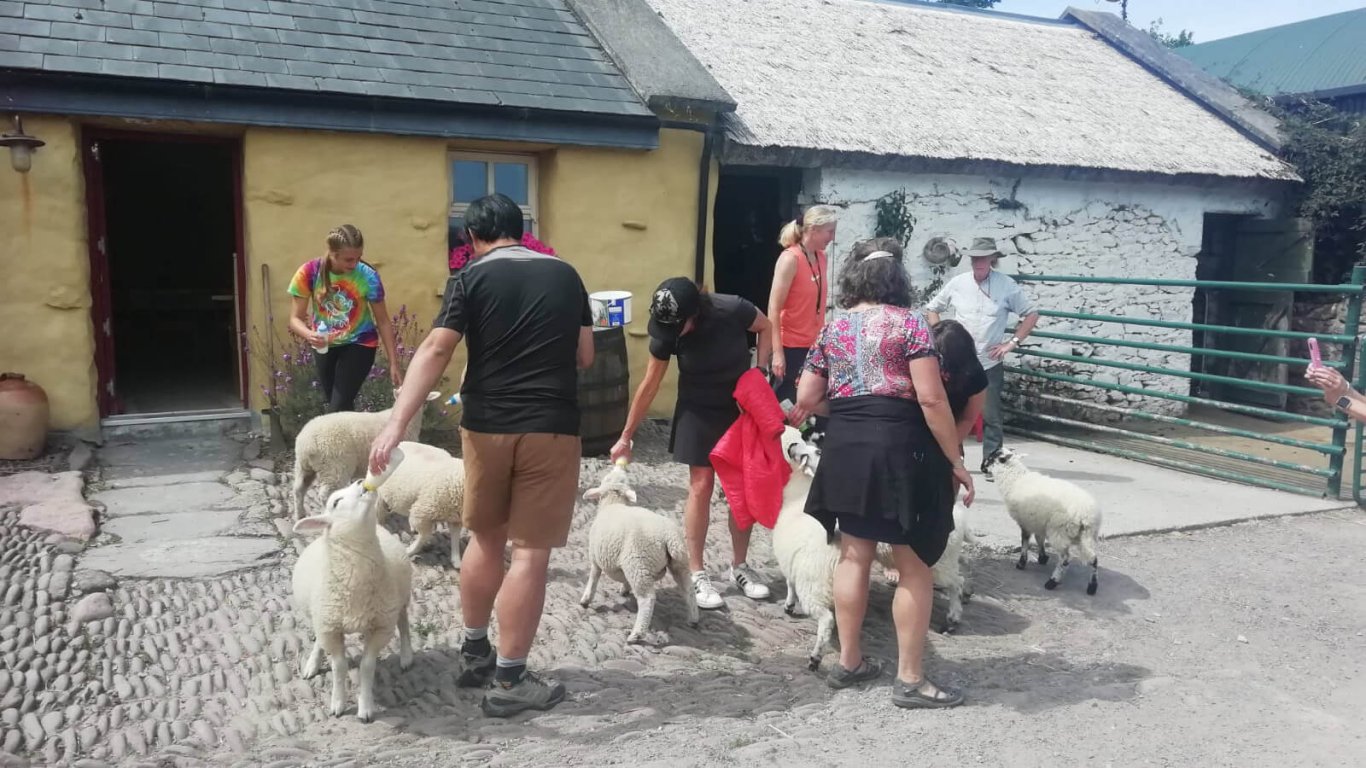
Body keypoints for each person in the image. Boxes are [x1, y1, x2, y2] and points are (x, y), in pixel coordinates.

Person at [368, 193, 594, 717]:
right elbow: (584, 355)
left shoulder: (468, 279)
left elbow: (436, 349)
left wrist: (396, 425)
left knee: (485, 538)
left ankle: (474, 653)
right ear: (522, 229)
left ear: (471, 239)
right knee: (531, 552)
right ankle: (512, 683)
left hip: (485, 425)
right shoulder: (567, 276)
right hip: (549, 426)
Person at [797, 237, 973, 708]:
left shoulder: (833, 329)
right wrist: (956, 461)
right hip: (900, 447)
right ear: (898, 280)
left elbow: (808, 397)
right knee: (913, 564)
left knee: (854, 557)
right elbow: (932, 399)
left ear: (855, 279)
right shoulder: (911, 324)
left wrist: (853, 411)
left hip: (847, 446)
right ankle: (911, 679)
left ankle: (850, 661)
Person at [610, 278, 777, 610]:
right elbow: (650, 383)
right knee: (701, 484)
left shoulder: (731, 308)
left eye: (678, 326)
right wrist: (626, 436)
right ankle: (698, 572)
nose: (671, 332)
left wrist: (760, 372)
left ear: (695, 314)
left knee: (741, 488)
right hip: (697, 410)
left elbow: (766, 325)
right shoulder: (667, 330)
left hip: (737, 407)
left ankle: (739, 566)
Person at [925, 236, 1040, 479]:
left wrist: (1012, 343)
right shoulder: (958, 283)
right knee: (950, 408)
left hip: (989, 359)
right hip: (959, 360)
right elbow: (932, 308)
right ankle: (949, 456)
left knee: (991, 414)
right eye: (975, 257)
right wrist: (940, 339)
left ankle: (992, 460)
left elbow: (1030, 314)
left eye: (984, 257)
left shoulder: (1007, 285)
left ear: (992, 259)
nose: (979, 261)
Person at [884, 318, 988, 585]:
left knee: (945, 492)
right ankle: (899, 557)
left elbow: (968, 417)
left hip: (951, 432)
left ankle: (934, 551)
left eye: (943, 360)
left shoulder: (975, 377)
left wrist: (949, 447)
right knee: (905, 494)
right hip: (914, 428)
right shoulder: (920, 363)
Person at [287, 224, 402, 412]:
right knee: (339, 406)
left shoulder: (368, 276)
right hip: (324, 345)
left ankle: (332, 441)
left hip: (360, 344)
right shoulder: (309, 273)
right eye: (349, 260)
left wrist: (394, 363)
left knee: (337, 407)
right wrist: (309, 335)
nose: (354, 264)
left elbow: (383, 321)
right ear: (332, 253)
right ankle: (354, 441)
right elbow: (295, 319)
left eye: (358, 258)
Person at [768, 205, 839, 414]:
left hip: (812, 345)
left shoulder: (821, 258)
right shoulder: (790, 259)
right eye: (830, 231)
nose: (832, 237)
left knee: (805, 407)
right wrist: (778, 353)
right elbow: (773, 308)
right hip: (789, 345)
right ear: (814, 229)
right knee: (783, 407)